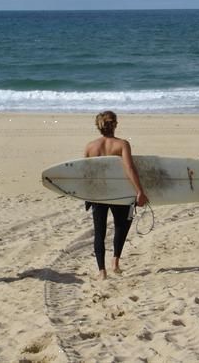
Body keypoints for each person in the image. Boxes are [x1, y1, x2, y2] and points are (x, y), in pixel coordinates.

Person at [84, 111, 148, 280]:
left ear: (98, 126)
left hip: (98, 194)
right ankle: (115, 263)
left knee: (99, 232)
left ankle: (101, 272)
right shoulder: (122, 144)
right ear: (115, 124)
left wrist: (87, 196)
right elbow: (129, 168)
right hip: (119, 193)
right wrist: (140, 190)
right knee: (122, 224)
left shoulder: (90, 146)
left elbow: (85, 174)